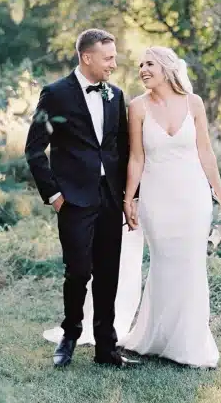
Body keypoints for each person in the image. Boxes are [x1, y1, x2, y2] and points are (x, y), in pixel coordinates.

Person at [24, 28, 137, 369]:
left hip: (109, 198)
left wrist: (130, 197)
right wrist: (55, 195)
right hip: (73, 199)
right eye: (108, 58)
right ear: (87, 57)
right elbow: (33, 149)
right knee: (78, 271)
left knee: (108, 273)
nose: (114, 64)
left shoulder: (115, 95)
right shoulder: (56, 94)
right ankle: (70, 334)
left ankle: (107, 348)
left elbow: (123, 147)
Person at [120, 46, 221, 368]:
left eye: (149, 63)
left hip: (193, 197)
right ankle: (154, 337)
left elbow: (205, 152)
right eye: (140, 65)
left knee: (191, 266)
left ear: (167, 67)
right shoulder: (137, 108)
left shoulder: (194, 103)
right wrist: (129, 199)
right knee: (164, 264)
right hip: (156, 198)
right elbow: (136, 158)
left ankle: (189, 343)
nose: (142, 69)